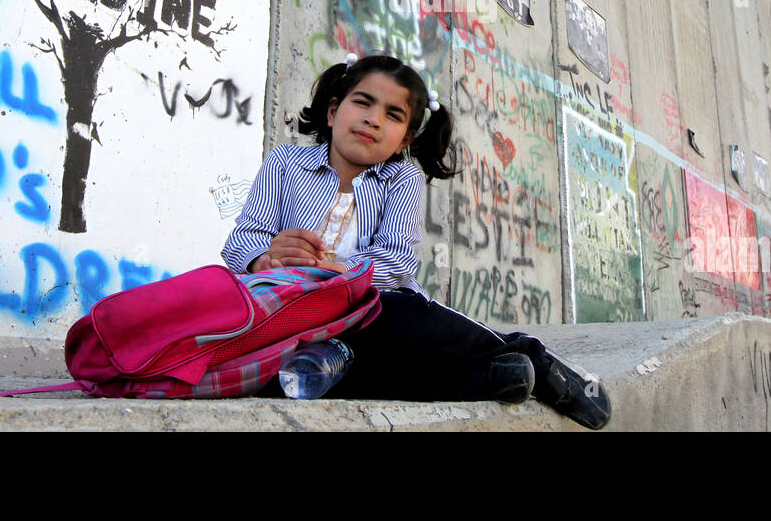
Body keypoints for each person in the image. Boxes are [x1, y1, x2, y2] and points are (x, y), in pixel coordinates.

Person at [222, 53, 611, 429]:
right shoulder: (284, 163)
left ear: (404, 137)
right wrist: (266, 260)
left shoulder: (401, 179)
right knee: (247, 327)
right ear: (333, 111)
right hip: (290, 310)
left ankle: (534, 360)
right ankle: (488, 379)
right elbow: (243, 238)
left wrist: (338, 272)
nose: (373, 119)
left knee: (410, 319)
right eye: (363, 102)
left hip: (369, 310)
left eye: (392, 115)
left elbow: (396, 262)